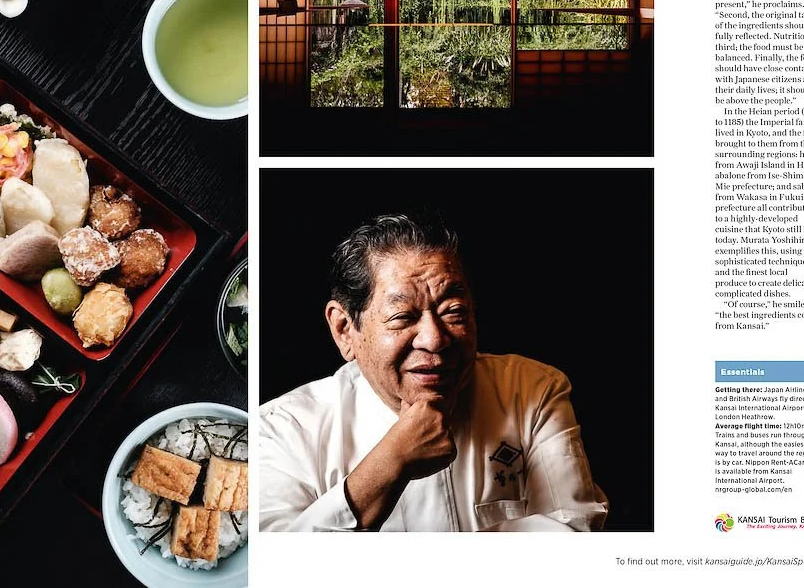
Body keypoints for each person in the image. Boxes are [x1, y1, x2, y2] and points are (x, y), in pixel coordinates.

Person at [259, 212, 609, 532]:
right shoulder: (285, 428)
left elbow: (574, 535)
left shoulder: (531, 390)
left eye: (453, 311)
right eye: (402, 318)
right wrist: (390, 463)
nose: (435, 339)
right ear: (345, 330)